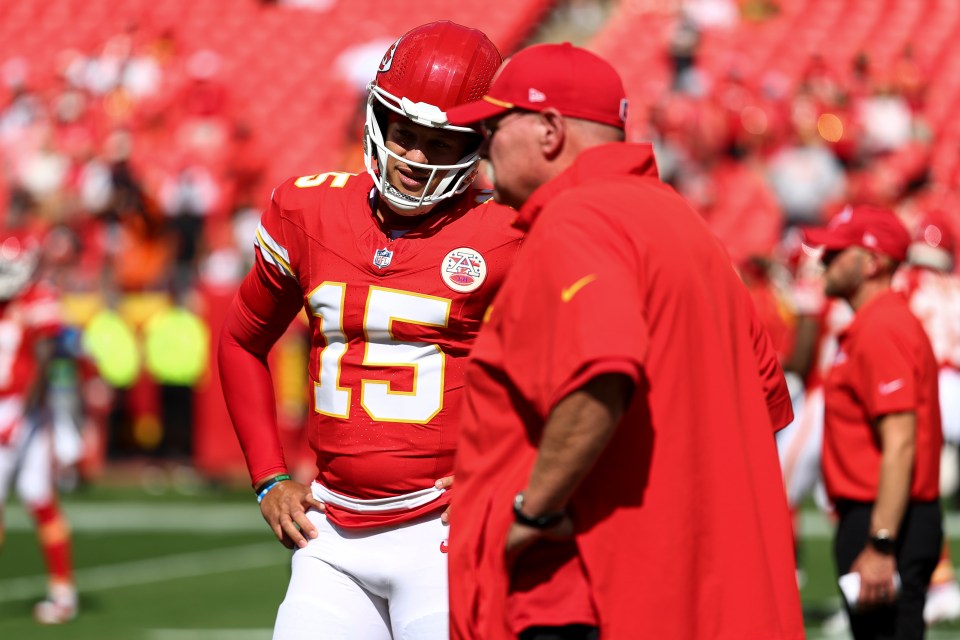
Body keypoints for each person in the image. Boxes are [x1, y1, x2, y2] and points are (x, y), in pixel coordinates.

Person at [444, 43, 804, 640]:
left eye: (492, 126)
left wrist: (533, 509)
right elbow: (765, 404)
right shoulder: (687, 225)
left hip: (596, 592)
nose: (482, 146)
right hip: (692, 591)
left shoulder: (578, 219)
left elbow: (603, 368)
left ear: (550, 131)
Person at [217, 21, 520, 640]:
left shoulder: (510, 228)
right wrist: (269, 476)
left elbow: (570, 367)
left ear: (477, 142)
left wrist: (510, 466)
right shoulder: (306, 208)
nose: (414, 158)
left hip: (443, 534)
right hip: (332, 532)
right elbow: (241, 340)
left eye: (440, 141)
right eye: (404, 133)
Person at [804, 204, 943, 639]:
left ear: (872, 263)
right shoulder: (874, 324)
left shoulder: (882, 327)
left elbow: (900, 441)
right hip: (879, 515)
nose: (822, 260)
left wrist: (881, 542)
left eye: (836, 252)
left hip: (886, 522)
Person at [0, 230, 78, 624]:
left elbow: (46, 357)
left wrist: (20, 414)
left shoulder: (39, 300)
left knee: (38, 496)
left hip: (23, 409)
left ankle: (62, 593)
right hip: (9, 407)